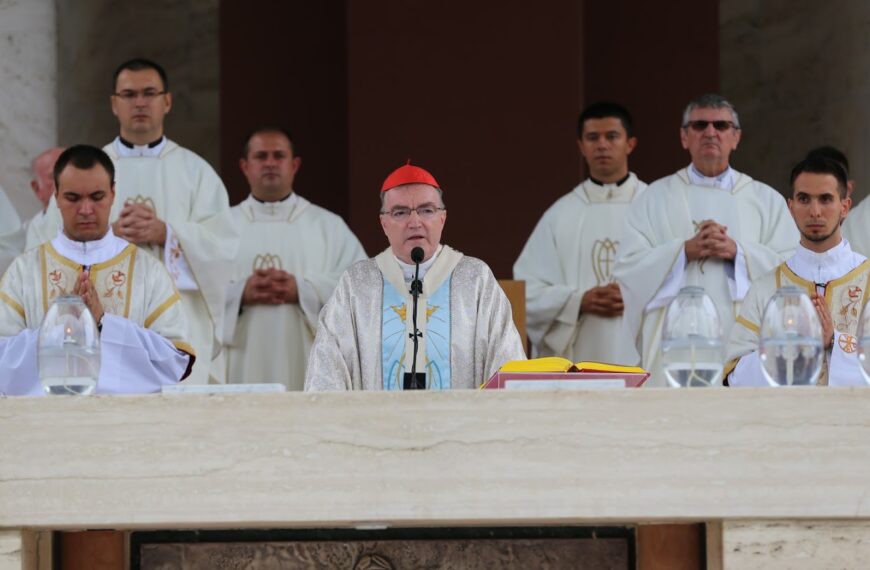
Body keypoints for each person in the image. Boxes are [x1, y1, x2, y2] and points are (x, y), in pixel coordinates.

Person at [25, 58, 238, 384]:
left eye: (149, 93)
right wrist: (102, 235)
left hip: (175, 327)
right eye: (129, 94)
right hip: (99, 330)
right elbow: (43, 247)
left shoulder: (197, 173)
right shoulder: (86, 170)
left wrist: (168, 234)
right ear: (114, 104)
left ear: (167, 101)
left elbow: (225, 251)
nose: (139, 102)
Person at [614, 93, 798, 386]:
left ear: (736, 137)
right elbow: (628, 268)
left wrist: (739, 253)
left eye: (721, 126)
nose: (710, 133)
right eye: (700, 125)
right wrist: (682, 252)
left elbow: (793, 270)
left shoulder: (766, 200)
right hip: (673, 343)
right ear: (684, 137)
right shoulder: (653, 198)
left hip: (744, 341)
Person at [304, 162, 525, 391]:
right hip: (378, 415)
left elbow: (506, 363)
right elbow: (327, 371)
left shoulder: (475, 279)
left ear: (442, 218)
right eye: (400, 212)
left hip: (458, 415)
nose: (414, 222)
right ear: (384, 223)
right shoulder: (357, 284)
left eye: (426, 210)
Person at [0, 145, 194, 395]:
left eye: (97, 196)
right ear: (56, 196)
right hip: (47, 416)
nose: (86, 210)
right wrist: (61, 327)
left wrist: (104, 323)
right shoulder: (24, 272)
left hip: (127, 417)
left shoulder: (149, 272)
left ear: (113, 193)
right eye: (73, 198)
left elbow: (174, 361)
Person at [223, 128, 366, 388]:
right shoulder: (220, 227)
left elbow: (361, 288)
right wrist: (239, 293)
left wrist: (302, 290)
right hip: (242, 360)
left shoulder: (328, 226)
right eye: (261, 156)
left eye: (279, 155)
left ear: (294, 165)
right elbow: (195, 293)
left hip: (308, 358)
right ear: (245, 166)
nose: (270, 163)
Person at [513, 102, 645, 363]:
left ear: (630, 144)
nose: (602, 145)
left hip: (642, 351)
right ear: (581, 146)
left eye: (612, 136)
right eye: (593, 138)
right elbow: (526, 292)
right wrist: (578, 301)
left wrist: (636, 295)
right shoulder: (559, 215)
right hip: (580, 358)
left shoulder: (654, 205)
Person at [726, 156, 868, 386]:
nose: (815, 211)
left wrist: (835, 341)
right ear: (791, 207)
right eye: (804, 199)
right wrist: (786, 349)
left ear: (845, 207)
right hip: (787, 410)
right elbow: (732, 375)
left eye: (825, 199)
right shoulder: (767, 288)